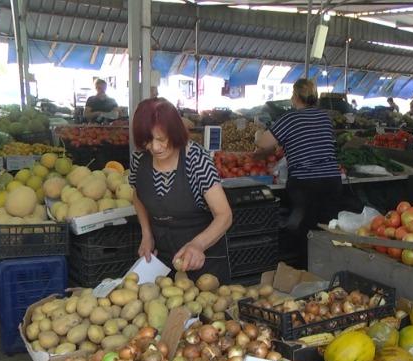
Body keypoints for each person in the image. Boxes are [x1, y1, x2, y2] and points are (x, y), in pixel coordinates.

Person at [130, 98, 233, 282]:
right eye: (148, 140)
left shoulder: (196, 159)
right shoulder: (139, 160)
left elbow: (224, 215)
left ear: (174, 132)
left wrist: (198, 244)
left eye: (161, 139)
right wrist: (147, 234)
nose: (155, 147)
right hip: (162, 258)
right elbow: (137, 196)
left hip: (204, 261)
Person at [254, 79, 341, 263]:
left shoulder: (290, 118)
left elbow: (263, 143)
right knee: (326, 228)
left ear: (294, 97)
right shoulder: (325, 116)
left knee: (305, 231)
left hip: (306, 183)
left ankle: (307, 269)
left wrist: (259, 134)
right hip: (332, 180)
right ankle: (327, 268)